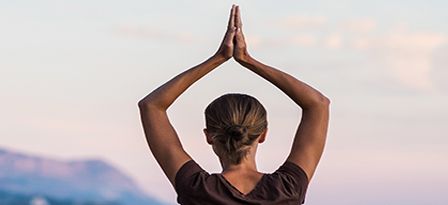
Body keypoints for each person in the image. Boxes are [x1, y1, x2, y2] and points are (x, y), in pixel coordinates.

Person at [138, 5, 330, 205]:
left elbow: (151, 106)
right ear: (263, 134)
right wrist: (248, 59)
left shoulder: (196, 188)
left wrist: (218, 58)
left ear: (209, 137)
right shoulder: (288, 189)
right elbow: (318, 104)